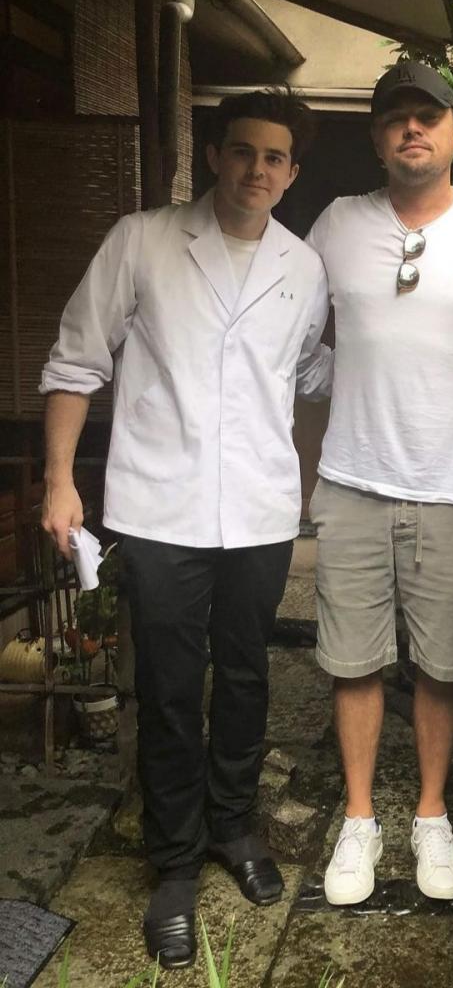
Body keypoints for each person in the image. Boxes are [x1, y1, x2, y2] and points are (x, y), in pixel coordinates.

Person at [40, 89, 331, 969]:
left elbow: (310, 374)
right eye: (243, 151)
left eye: (276, 158)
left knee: (246, 675)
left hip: (258, 509)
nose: (258, 170)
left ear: (291, 171)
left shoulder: (302, 265)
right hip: (158, 505)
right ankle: (171, 861)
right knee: (168, 683)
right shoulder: (143, 239)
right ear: (214, 155)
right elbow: (74, 360)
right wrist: (59, 481)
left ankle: (233, 827)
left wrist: (310, 476)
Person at [304, 61, 453, 906]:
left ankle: (430, 813)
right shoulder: (335, 224)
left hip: (449, 485)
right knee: (351, 662)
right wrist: (334, 380)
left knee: (441, 665)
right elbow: (295, 335)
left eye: (429, 117)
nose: (412, 130)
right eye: (395, 119)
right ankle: (359, 819)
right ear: (377, 137)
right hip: (352, 476)